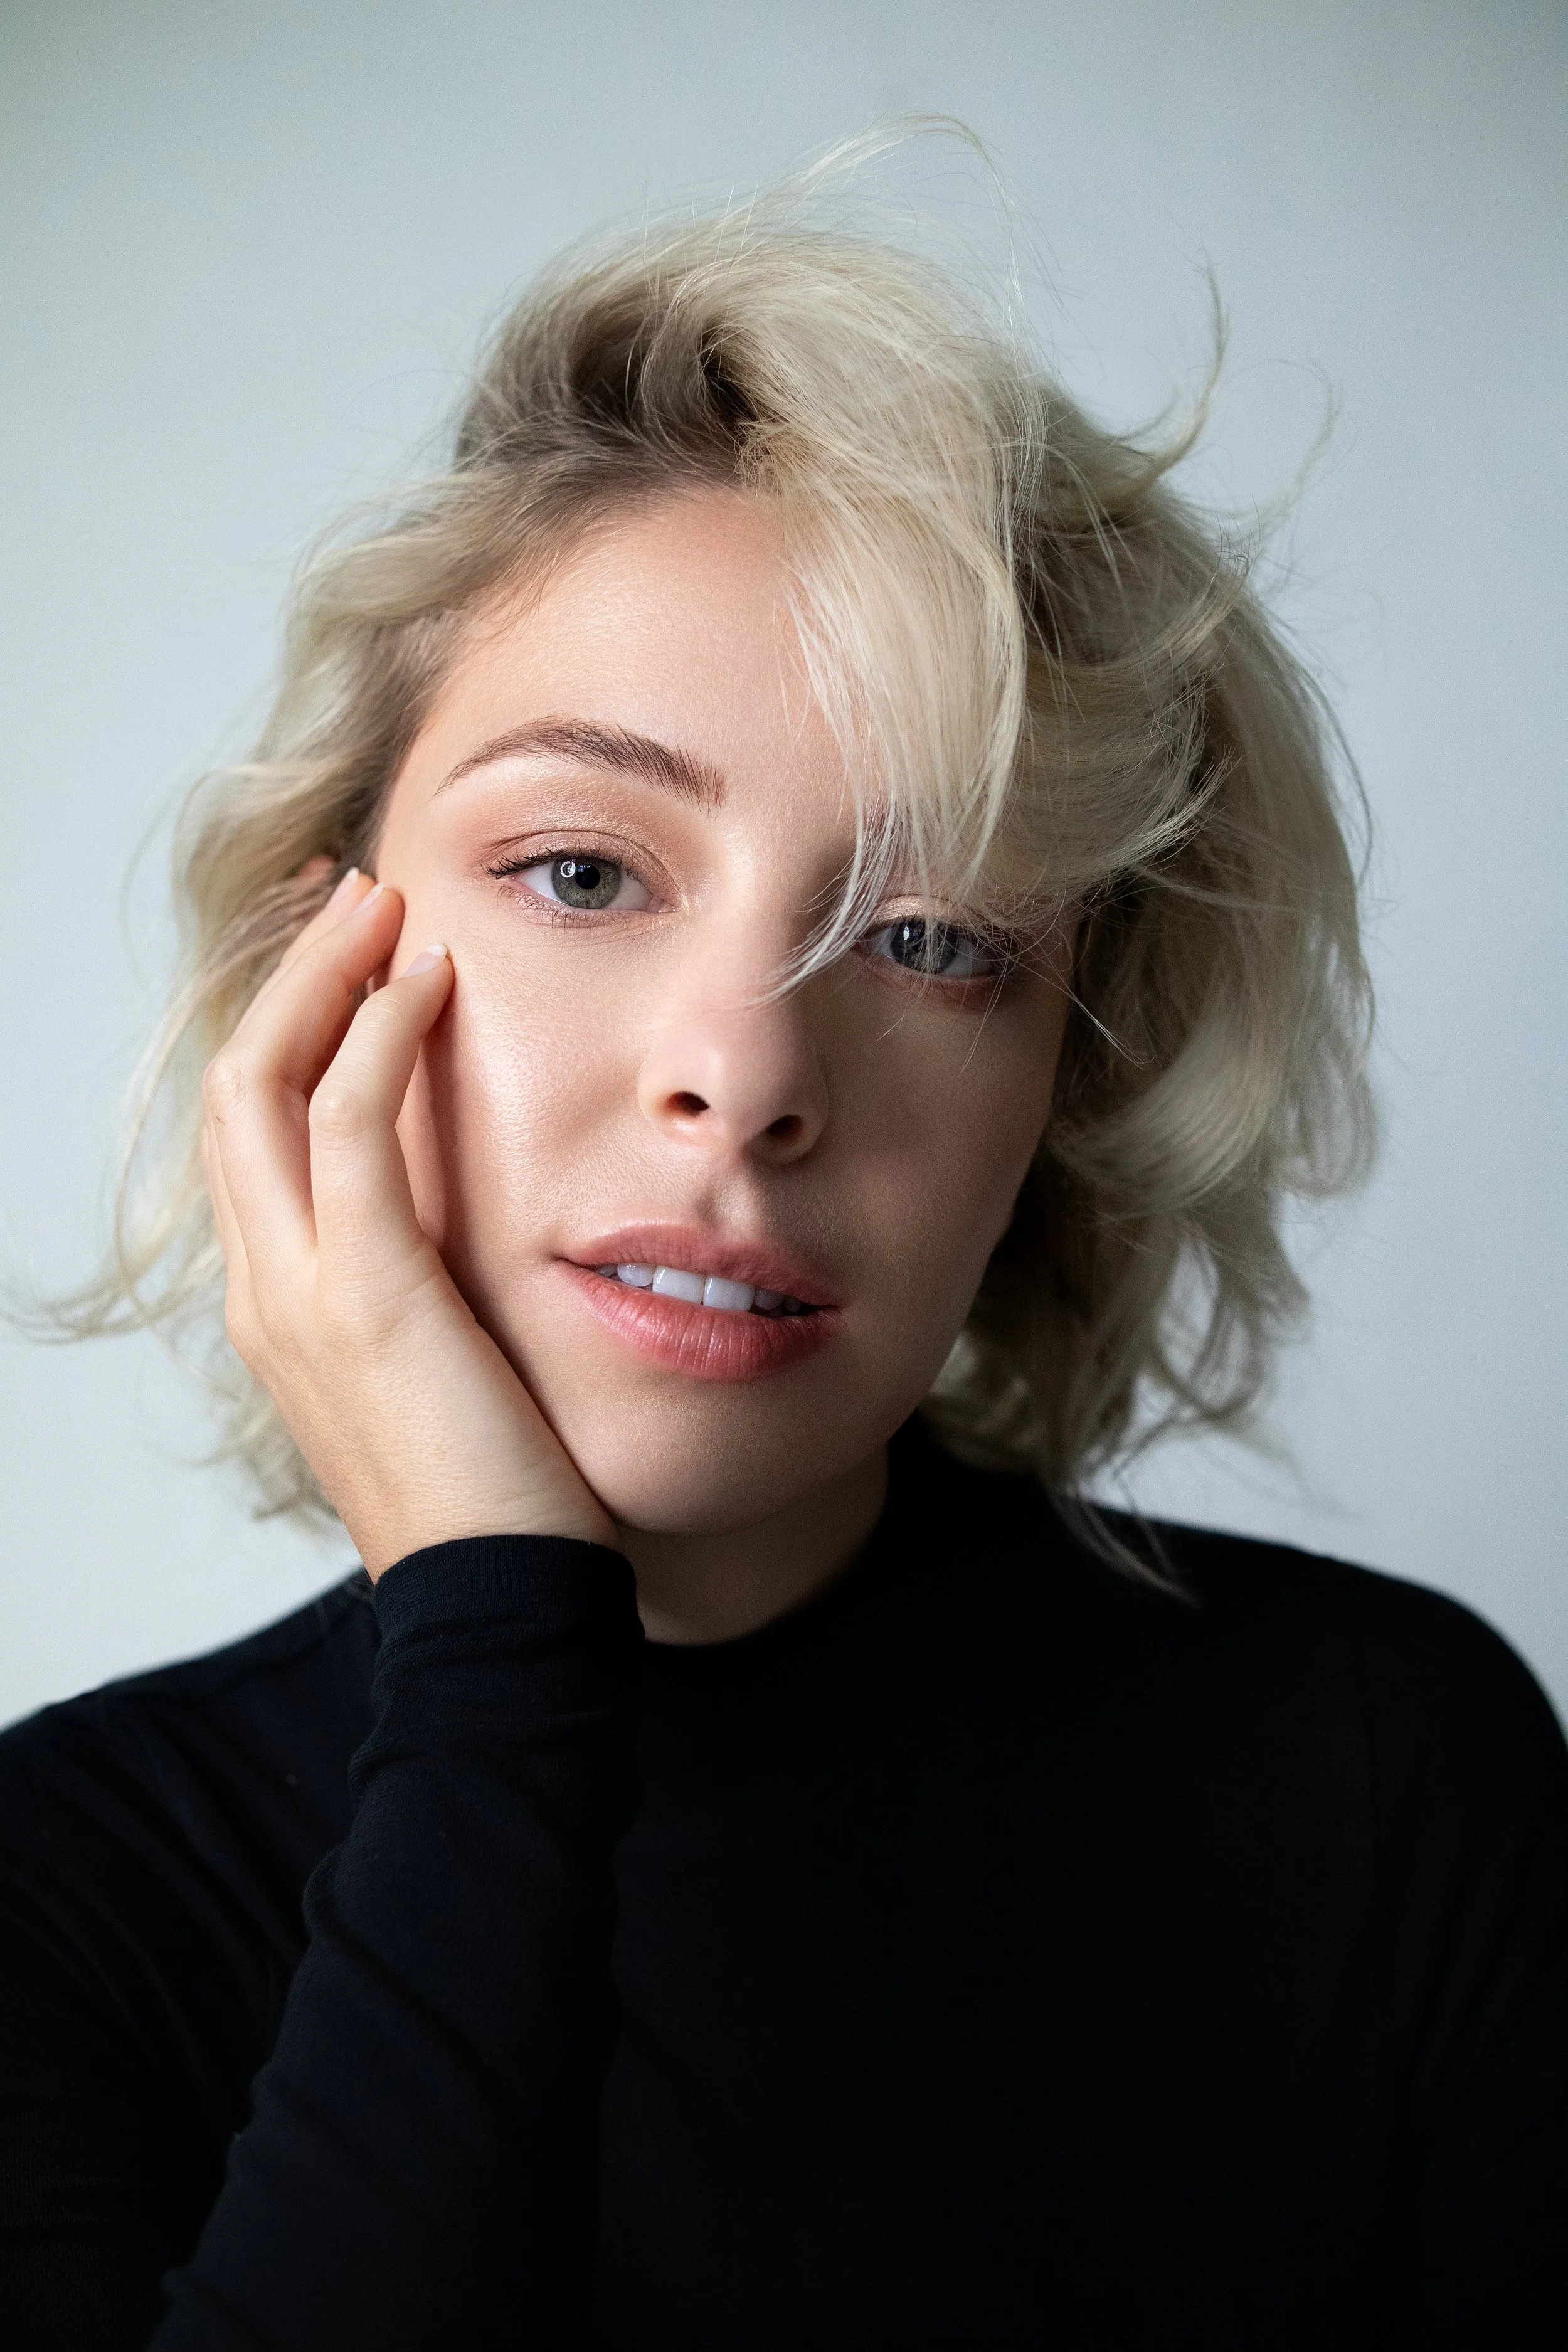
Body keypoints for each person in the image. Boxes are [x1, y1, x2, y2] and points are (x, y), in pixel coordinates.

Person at [3, 171, 1565, 2352]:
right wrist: (493, 1661)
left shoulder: (1396, 1779)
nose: (742, 1075)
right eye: (578, 867)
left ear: (1061, 1085)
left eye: (932, 939)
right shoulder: (56, 1896)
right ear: (321, 950)